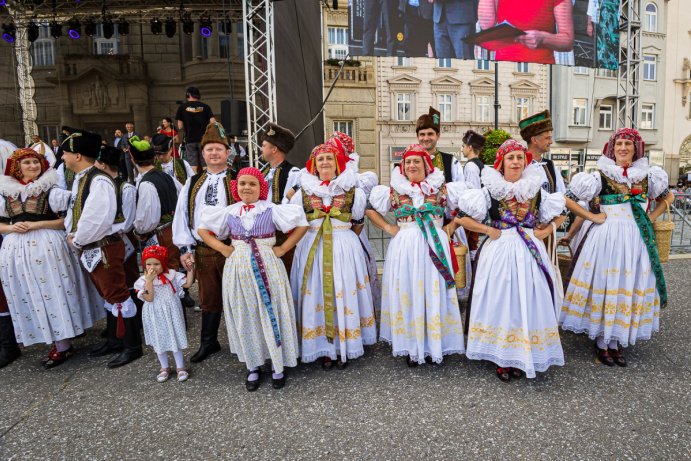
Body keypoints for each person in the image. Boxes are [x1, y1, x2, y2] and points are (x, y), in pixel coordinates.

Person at [454, 139, 566, 381]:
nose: (515, 162)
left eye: (519, 158)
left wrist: (546, 232)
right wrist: (487, 231)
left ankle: (526, 351)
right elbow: (461, 217)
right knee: (502, 299)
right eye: (510, 158)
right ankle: (503, 356)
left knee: (528, 298)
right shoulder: (490, 190)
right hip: (499, 249)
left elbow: (561, 212)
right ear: (501, 163)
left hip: (529, 250)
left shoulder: (536, 190)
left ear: (525, 162)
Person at [561, 128, 673, 367]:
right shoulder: (600, 176)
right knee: (607, 284)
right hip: (607, 239)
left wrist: (651, 217)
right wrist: (592, 217)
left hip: (635, 239)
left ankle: (617, 340)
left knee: (627, 284)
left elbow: (668, 198)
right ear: (612, 148)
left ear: (635, 149)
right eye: (619, 143)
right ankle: (602, 341)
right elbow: (567, 198)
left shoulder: (648, 176)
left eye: (628, 144)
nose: (623, 148)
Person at [198, 167, 307, 391]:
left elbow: (302, 225)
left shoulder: (271, 209)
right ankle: (254, 364)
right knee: (245, 312)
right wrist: (223, 248)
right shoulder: (229, 211)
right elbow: (202, 229)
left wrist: (283, 248)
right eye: (243, 183)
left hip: (268, 264)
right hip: (238, 268)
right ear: (236, 187)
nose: (247, 187)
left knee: (272, 310)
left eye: (252, 184)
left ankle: (278, 364)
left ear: (261, 188)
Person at [0, 148, 103, 368]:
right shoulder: (6, 192)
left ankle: (64, 342)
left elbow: (67, 220)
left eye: (36, 162)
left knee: (54, 290)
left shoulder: (51, 190)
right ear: (17, 167)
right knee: (31, 293)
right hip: (16, 249)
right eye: (27, 163)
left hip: (48, 246)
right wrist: (9, 227)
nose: (32, 166)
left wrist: (38, 224)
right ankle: (55, 337)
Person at [367, 144, 465, 366]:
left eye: (416, 161)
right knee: (408, 291)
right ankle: (412, 346)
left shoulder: (442, 189)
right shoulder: (393, 191)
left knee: (434, 290)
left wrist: (448, 230)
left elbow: (464, 211)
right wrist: (389, 228)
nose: (412, 165)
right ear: (402, 166)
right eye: (408, 162)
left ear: (426, 165)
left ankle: (434, 345)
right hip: (405, 246)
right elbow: (369, 209)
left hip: (434, 242)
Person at [61, 127, 142, 369]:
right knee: (109, 295)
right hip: (93, 245)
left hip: (102, 245)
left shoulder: (98, 180)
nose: (62, 157)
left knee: (118, 295)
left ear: (77, 155)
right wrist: (73, 234)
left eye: (65, 153)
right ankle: (115, 339)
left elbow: (96, 218)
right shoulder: (84, 178)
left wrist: (76, 239)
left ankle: (132, 346)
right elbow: (75, 213)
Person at [290, 144, 376, 369]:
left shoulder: (353, 191)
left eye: (329, 158)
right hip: (313, 247)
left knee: (343, 292)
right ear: (314, 166)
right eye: (321, 160)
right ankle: (323, 347)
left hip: (344, 248)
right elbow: (296, 224)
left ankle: (343, 346)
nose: (325, 162)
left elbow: (357, 223)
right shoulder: (302, 193)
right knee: (316, 293)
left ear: (338, 163)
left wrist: (346, 243)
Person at [172, 122, 235, 363]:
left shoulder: (239, 179)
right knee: (208, 297)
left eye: (219, 149)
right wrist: (185, 248)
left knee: (237, 297)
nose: (214, 153)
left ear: (227, 153)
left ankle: (243, 343)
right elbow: (182, 216)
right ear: (203, 153)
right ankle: (209, 342)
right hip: (202, 249)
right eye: (209, 149)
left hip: (231, 248)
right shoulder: (193, 182)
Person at [135, 245, 194, 383]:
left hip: (171, 313)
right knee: (158, 338)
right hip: (155, 314)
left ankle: (180, 367)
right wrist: (149, 281)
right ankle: (164, 367)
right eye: (148, 264)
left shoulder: (172, 275)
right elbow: (149, 298)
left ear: (163, 263)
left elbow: (188, 284)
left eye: (156, 263)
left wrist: (190, 269)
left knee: (174, 337)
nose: (152, 267)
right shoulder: (143, 281)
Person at [129, 136, 182, 271]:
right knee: (172, 273)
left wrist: (138, 231)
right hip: (174, 232)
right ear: (153, 158)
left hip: (160, 237)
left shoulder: (146, 184)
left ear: (133, 159)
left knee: (162, 276)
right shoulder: (167, 177)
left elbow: (146, 221)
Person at [477, 0, 574, 65]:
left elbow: (568, 41)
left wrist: (544, 38)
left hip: (540, 67)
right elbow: (486, 25)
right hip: (504, 66)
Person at [259, 123, 300, 274]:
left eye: (264, 145)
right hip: (262, 233)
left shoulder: (294, 173)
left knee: (284, 273)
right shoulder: (263, 173)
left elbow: (291, 207)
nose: (261, 149)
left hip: (282, 234)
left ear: (274, 149)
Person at [176, 87, 215, 173]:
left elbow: (180, 126)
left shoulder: (182, 107)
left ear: (188, 94)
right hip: (204, 140)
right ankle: (206, 182)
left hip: (190, 140)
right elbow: (213, 123)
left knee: (192, 164)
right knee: (205, 162)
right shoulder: (206, 107)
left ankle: (194, 184)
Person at [461, 130, 487, 259]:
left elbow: (473, 193)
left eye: (463, 146)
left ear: (470, 147)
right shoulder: (479, 164)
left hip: (472, 213)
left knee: (470, 246)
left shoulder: (471, 166)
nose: (462, 149)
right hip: (477, 212)